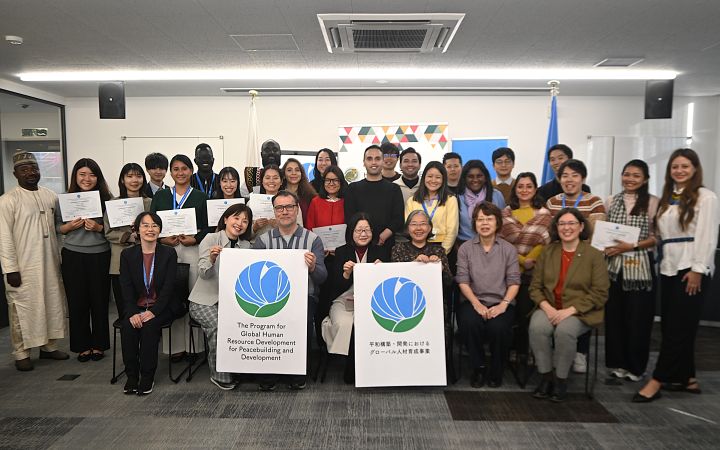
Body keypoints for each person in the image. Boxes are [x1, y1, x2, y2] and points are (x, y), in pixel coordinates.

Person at [633, 148, 719, 403]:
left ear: (694, 169)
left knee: (677, 330)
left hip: (690, 269)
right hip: (668, 268)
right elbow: (662, 235)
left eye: (685, 166)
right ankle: (687, 378)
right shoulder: (668, 198)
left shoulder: (706, 197)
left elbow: (707, 237)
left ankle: (657, 379)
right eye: (674, 167)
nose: (679, 171)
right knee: (675, 325)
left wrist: (697, 270)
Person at [529, 208, 609, 402]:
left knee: (564, 331)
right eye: (562, 224)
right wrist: (547, 308)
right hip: (548, 306)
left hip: (580, 311)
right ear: (557, 227)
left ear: (581, 227)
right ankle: (546, 376)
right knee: (537, 328)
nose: (567, 228)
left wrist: (570, 311)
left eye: (571, 223)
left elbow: (600, 292)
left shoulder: (594, 255)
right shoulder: (549, 251)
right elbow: (535, 287)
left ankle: (560, 379)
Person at [0, 150, 69, 371]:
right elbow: (4, 238)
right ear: (15, 173)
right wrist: (10, 268)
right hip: (23, 266)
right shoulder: (7, 200)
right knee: (22, 308)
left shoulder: (50, 195)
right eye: (25, 169)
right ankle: (21, 352)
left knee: (49, 304)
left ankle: (48, 347)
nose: (31, 172)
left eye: (34, 168)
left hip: (48, 263)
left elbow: (58, 230)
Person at [252, 190, 328, 390]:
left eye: (289, 207)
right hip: (270, 298)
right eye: (279, 208)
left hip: (303, 297)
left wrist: (312, 267)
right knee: (265, 319)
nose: (284, 211)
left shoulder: (313, 240)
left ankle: (297, 371)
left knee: (302, 320)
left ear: (296, 210)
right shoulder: (263, 241)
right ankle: (269, 371)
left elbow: (322, 278)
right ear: (274, 211)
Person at [545, 159, 605, 372]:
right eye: (565, 176)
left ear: (583, 178)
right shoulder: (552, 202)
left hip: (585, 261)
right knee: (557, 300)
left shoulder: (595, 202)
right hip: (557, 259)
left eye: (575, 175)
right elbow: (549, 233)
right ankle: (558, 350)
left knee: (580, 303)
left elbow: (596, 236)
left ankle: (581, 352)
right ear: (559, 179)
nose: (569, 180)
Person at [602, 160, 659, 383]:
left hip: (641, 269)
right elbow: (604, 231)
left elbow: (658, 237)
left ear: (645, 179)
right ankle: (617, 364)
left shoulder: (654, 203)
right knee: (615, 318)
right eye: (627, 174)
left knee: (638, 319)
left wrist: (632, 246)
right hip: (614, 269)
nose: (630, 179)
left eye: (636, 175)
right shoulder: (610, 200)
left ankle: (636, 367)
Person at [150, 154, 210, 356]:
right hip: (167, 252)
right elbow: (152, 225)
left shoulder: (201, 197)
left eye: (184, 168)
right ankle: (174, 348)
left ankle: (195, 346)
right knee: (170, 296)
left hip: (193, 251)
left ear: (191, 171)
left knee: (193, 295)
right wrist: (161, 239)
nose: (180, 173)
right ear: (170, 172)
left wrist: (196, 238)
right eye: (175, 169)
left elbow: (208, 227)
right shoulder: (161, 196)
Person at [456, 202, 521, 388]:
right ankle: (479, 367)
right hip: (472, 300)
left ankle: (497, 369)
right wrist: (476, 304)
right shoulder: (465, 249)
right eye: (480, 219)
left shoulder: (508, 249)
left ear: (498, 222)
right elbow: (462, 281)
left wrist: (503, 304)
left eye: (489, 219)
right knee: (469, 322)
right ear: (474, 223)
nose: (484, 223)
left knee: (498, 328)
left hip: (502, 301)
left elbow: (514, 282)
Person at [189, 204, 253, 390]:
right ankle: (220, 375)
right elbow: (203, 273)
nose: (239, 223)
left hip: (233, 303)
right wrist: (211, 259)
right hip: (205, 301)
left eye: (245, 220)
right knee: (219, 326)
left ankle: (241, 368)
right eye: (236, 218)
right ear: (225, 219)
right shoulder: (211, 239)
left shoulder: (247, 246)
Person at [321, 213, 388, 383]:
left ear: (372, 232)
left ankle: (362, 369)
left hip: (371, 303)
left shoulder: (381, 252)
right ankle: (349, 365)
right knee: (346, 323)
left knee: (364, 322)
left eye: (367, 230)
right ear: (351, 232)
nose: (363, 234)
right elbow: (334, 287)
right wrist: (345, 274)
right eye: (359, 230)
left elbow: (386, 287)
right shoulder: (342, 251)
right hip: (343, 300)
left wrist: (383, 272)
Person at [57, 158, 113, 362]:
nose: (87, 179)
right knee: (77, 301)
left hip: (100, 254)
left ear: (98, 177)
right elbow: (56, 227)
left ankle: (99, 345)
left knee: (99, 301)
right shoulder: (64, 199)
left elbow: (114, 229)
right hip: (73, 254)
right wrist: (69, 227)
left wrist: (98, 228)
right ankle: (82, 345)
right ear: (75, 176)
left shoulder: (107, 199)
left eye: (92, 174)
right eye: (82, 174)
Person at [119, 212, 181, 395]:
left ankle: (147, 377)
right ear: (137, 229)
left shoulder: (169, 253)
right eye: (145, 225)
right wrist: (132, 312)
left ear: (160, 230)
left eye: (154, 225)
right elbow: (126, 288)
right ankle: (132, 376)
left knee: (149, 327)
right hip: (136, 307)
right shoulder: (127, 255)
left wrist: (153, 311)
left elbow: (169, 288)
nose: (150, 229)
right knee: (128, 326)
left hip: (162, 307)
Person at [391, 210, 453, 374]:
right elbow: (394, 281)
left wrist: (438, 268)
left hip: (433, 306)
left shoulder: (438, 251)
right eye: (414, 224)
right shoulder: (398, 249)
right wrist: (414, 264)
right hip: (404, 307)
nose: (419, 228)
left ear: (430, 227)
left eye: (423, 224)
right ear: (407, 229)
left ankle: (432, 372)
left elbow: (449, 283)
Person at [498, 172, 552, 361]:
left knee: (525, 311)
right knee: (508, 311)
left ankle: (523, 351)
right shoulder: (506, 212)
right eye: (520, 186)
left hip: (534, 272)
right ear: (515, 189)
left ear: (535, 189)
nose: (524, 190)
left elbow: (544, 241)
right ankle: (508, 350)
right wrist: (521, 261)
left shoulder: (545, 214)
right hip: (508, 270)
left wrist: (530, 260)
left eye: (529, 186)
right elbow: (503, 242)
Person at [105, 163, 152, 319]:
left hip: (147, 262)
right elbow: (108, 232)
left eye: (138, 176)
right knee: (125, 310)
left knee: (146, 309)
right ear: (122, 180)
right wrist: (128, 237)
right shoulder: (113, 204)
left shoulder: (150, 203)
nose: (134, 180)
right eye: (129, 176)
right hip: (119, 261)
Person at [344, 145, 404, 258]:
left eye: (377, 158)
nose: (374, 162)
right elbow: (350, 217)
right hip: (360, 245)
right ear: (364, 162)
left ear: (382, 161)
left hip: (386, 245)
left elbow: (398, 219)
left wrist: (383, 236)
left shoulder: (394, 189)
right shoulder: (353, 188)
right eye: (369, 158)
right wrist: (364, 235)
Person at [404, 161, 459, 254]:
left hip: (443, 247)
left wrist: (441, 253)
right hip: (416, 248)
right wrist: (418, 252)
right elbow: (409, 228)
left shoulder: (450, 200)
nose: (433, 180)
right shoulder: (412, 200)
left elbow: (452, 230)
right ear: (424, 177)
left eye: (438, 177)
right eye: (430, 176)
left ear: (443, 180)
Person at [457, 159, 506, 245]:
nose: (475, 180)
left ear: (485, 177)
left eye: (479, 176)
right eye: (470, 176)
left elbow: (503, 223)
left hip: (492, 245)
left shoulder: (497, 195)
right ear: (464, 178)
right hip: (464, 245)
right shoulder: (457, 197)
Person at [306, 165, 347, 231]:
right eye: (327, 180)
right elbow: (309, 226)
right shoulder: (315, 202)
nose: (331, 183)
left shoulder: (347, 201)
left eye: (335, 180)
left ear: (341, 182)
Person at [250, 165, 282, 239]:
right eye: (267, 178)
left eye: (275, 178)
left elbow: (298, 228)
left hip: (281, 247)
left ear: (281, 181)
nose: (271, 181)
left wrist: (282, 226)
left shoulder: (290, 202)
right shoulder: (252, 202)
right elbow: (243, 236)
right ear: (262, 181)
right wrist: (255, 227)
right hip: (257, 246)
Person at [282, 157, 317, 224]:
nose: (294, 173)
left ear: (302, 174)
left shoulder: (311, 197)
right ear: (284, 174)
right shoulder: (278, 195)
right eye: (289, 170)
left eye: (297, 170)